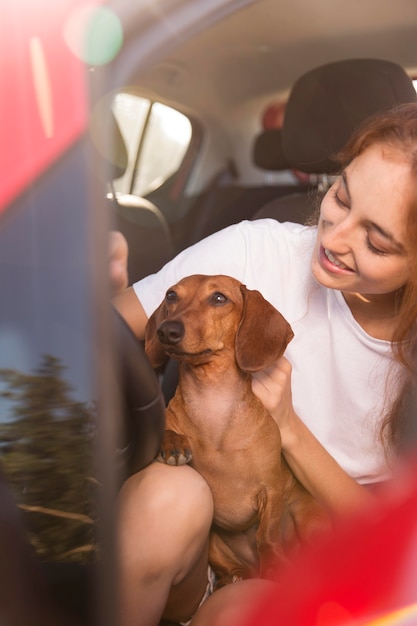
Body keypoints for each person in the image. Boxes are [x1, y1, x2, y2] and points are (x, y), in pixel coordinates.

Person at [111, 102, 417, 626]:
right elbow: (105, 338)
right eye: (340, 198)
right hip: (204, 549)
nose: (335, 239)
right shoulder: (255, 252)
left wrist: (289, 428)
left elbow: (402, 552)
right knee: (162, 497)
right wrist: (106, 288)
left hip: (330, 570)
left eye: (376, 241)